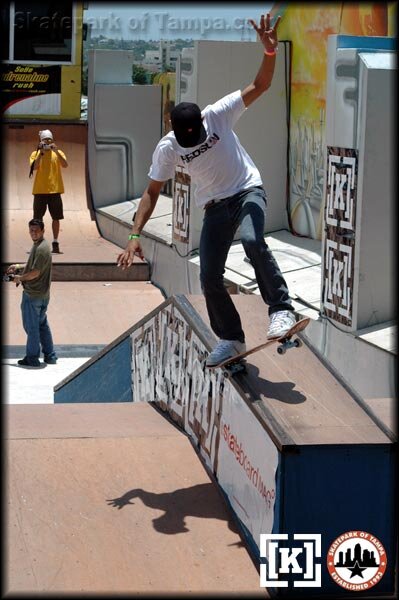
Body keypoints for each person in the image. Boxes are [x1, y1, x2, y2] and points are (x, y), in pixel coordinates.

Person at [117, 12, 296, 367]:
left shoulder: (217, 114)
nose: (193, 143)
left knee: (251, 240)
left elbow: (259, 86)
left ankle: (281, 310)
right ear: (174, 131)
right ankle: (231, 338)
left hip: (247, 190)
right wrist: (135, 234)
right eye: (188, 141)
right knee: (209, 273)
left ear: (201, 122)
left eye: (196, 137)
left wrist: (270, 52)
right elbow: (152, 191)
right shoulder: (167, 147)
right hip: (214, 207)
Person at [6, 219, 57, 368]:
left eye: (36, 230)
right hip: (43, 295)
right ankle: (50, 355)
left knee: (32, 327)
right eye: (31, 230)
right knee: (42, 325)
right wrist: (17, 267)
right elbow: (32, 266)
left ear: (43, 231)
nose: (33, 233)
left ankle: (32, 358)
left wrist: (19, 278)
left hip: (33, 294)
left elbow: (35, 272)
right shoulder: (41, 246)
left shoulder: (41, 249)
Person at [29, 129, 68, 254]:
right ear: (41, 142)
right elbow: (34, 168)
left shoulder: (58, 152)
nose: (47, 143)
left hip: (55, 190)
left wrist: (55, 150)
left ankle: (55, 242)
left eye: (49, 140)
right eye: (45, 140)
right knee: (37, 219)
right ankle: (37, 243)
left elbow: (65, 164)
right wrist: (40, 153)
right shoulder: (35, 153)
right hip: (40, 191)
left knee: (56, 218)